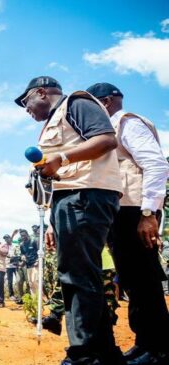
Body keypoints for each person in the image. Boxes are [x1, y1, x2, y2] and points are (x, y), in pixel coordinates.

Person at [16, 76, 124, 364]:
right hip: (73, 198)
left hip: (86, 196)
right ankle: (105, 353)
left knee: (75, 277)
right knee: (82, 275)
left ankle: (82, 355)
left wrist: (60, 158)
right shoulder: (55, 121)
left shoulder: (75, 103)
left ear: (41, 92)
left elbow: (106, 139)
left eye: (26, 101)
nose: (26, 109)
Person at [88, 82, 169, 364]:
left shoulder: (126, 123)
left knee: (144, 280)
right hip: (121, 213)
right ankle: (144, 342)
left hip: (136, 212)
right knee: (134, 280)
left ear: (107, 102)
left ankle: (158, 348)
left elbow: (157, 165)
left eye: (92, 104)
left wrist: (149, 214)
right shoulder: (110, 128)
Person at [18, 229, 39, 295]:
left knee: (35, 281)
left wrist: (38, 261)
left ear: (27, 234)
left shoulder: (33, 241)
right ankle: (34, 299)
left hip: (35, 264)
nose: (23, 237)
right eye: (21, 236)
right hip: (28, 265)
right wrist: (22, 256)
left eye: (24, 235)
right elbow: (22, 253)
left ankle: (41, 299)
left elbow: (40, 251)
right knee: (30, 283)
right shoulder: (21, 245)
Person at [5, 233, 20, 301]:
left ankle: (20, 294)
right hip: (8, 266)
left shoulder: (14, 246)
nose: (6, 239)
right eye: (5, 238)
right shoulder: (4, 246)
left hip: (15, 266)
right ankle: (11, 295)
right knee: (10, 282)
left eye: (7, 238)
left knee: (19, 280)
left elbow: (17, 254)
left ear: (10, 238)